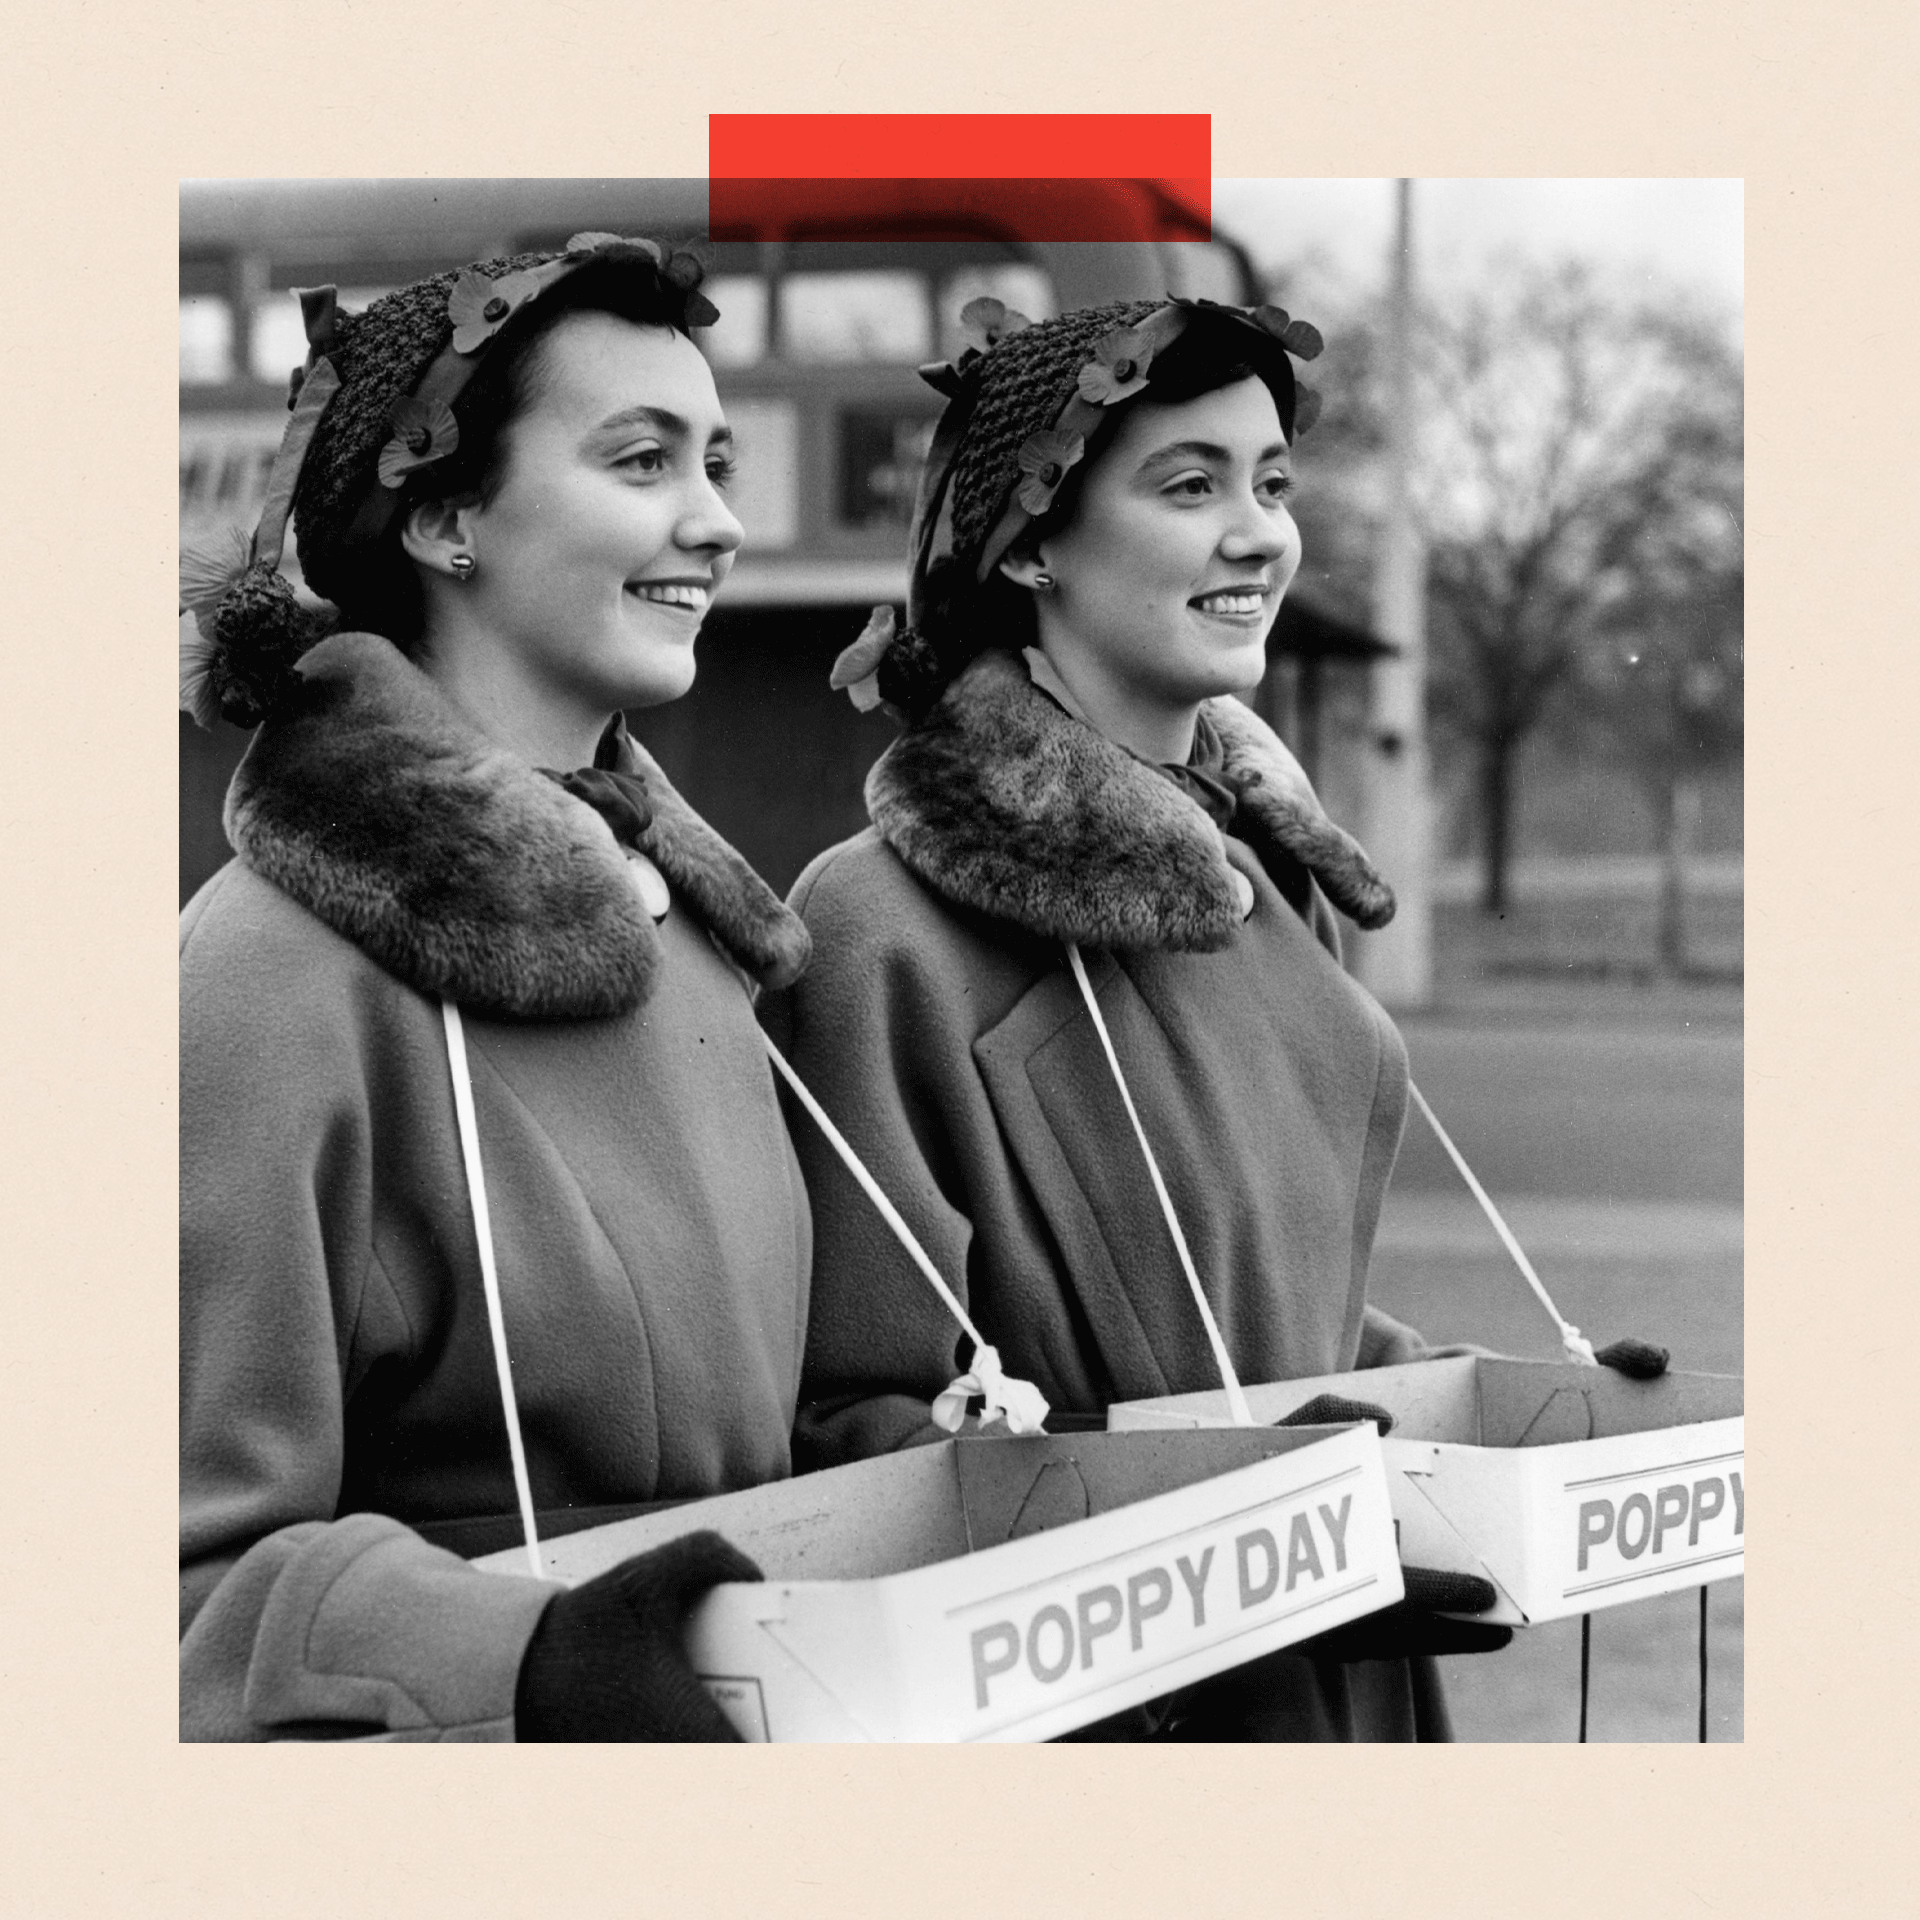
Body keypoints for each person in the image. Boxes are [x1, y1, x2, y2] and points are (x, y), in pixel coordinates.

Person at [761, 294, 1666, 1741]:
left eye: (1273, 484)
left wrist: (1499, 1416)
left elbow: (1268, 1317)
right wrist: (1218, 1504)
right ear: (1036, 542)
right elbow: (856, 1436)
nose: (1259, 533)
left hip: (1337, 1676)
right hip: (1108, 1725)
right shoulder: (882, 926)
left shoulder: (1255, 886)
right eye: (1191, 486)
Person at [179, 237, 812, 1741]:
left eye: (714, 462)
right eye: (642, 459)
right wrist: (521, 1660)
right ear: (448, 514)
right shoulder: (264, 981)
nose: (716, 523)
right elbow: (168, 1588)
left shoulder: (710, 943)